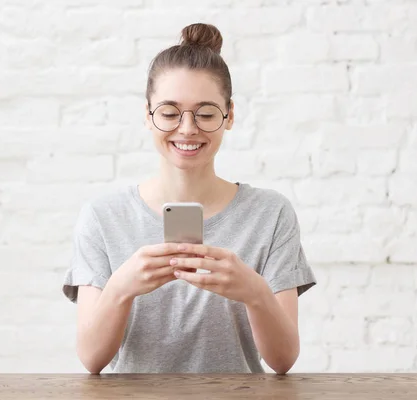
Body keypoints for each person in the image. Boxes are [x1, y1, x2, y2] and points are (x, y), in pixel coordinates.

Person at [62, 23, 316, 375]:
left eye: (206, 113)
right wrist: (122, 288)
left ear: (229, 116)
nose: (187, 128)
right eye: (169, 112)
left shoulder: (270, 214)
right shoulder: (103, 217)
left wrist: (254, 292)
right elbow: (91, 359)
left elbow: (283, 360)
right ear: (147, 116)